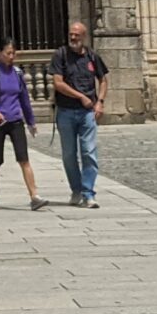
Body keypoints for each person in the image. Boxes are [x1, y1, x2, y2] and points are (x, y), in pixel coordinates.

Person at [49, 21, 107, 206]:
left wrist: (100, 102)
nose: (73, 38)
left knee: (89, 152)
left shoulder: (92, 56)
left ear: (84, 36)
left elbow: (103, 80)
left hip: (87, 113)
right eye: (71, 34)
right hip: (65, 111)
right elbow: (58, 83)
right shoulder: (61, 55)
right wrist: (81, 96)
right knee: (68, 154)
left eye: (77, 35)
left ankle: (88, 192)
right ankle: (76, 189)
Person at [0, 39, 45, 211]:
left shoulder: (17, 73)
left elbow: (24, 97)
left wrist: (31, 121)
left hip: (16, 120)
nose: (11, 56)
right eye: (8, 53)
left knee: (24, 158)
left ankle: (34, 196)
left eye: (13, 53)